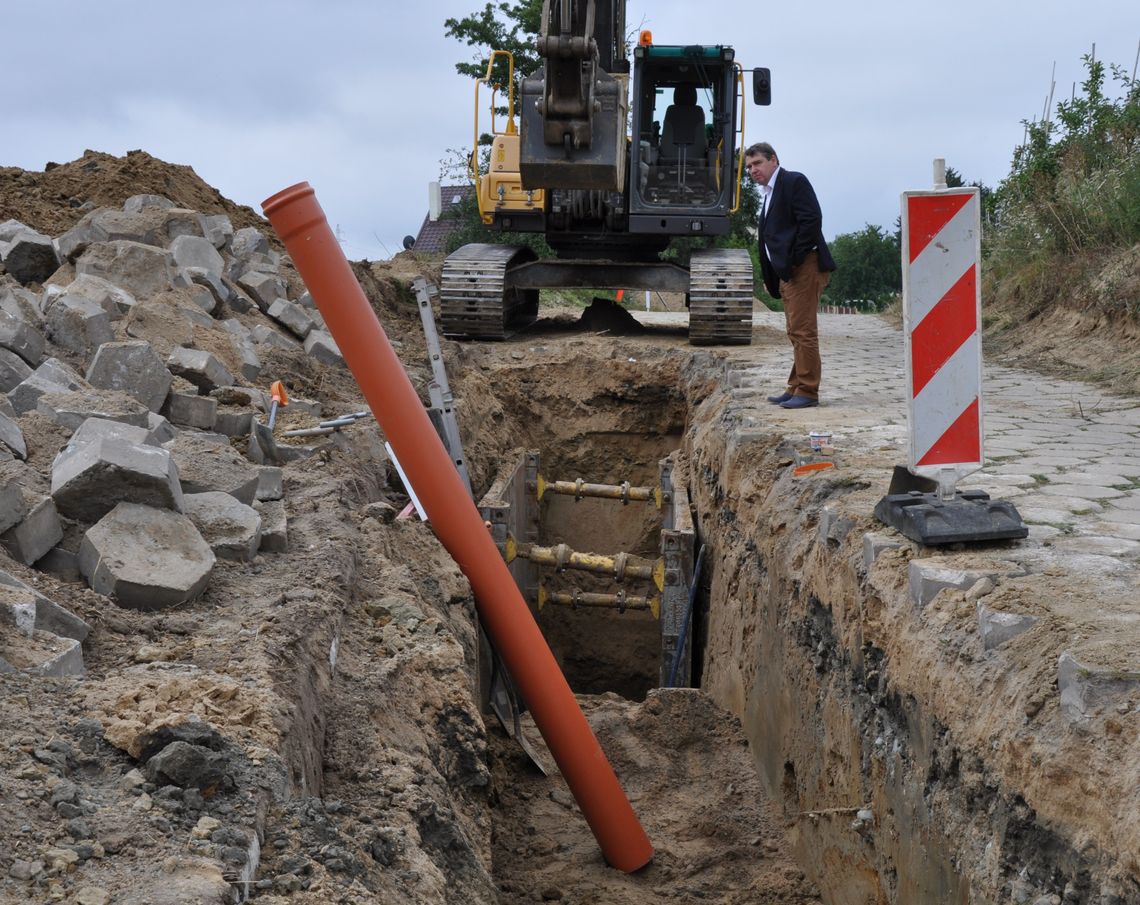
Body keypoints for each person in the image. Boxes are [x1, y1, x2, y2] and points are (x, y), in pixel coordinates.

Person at [744, 142, 836, 409]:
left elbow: (811, 220)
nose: (753, 170)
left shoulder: (793, 181)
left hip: (805, 266)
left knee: (803, 330)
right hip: (790, 271)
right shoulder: (768, 193)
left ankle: (808, 391)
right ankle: (796, 385)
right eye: (749, 166)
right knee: (794, 330)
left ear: (774, 160)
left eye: (758, 163)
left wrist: (794, 260)